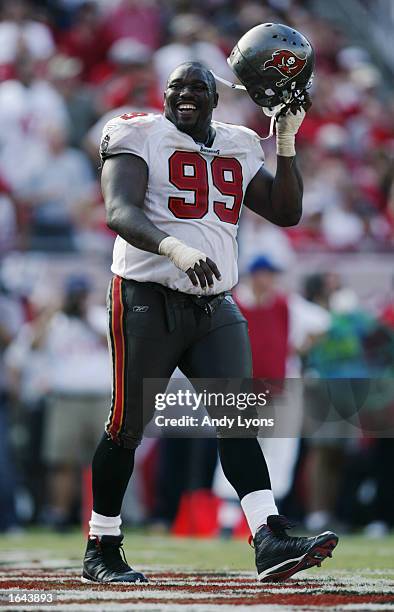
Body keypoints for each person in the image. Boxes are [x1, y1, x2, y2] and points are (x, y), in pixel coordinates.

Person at [82, 59, 338, 584]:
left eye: (198, 87)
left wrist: (285, 142)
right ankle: (102, 543)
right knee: (126, 426)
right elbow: (119, 209)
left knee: (239, 419)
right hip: (145, 296)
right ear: (164, 94)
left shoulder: (240, 143)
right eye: (177, 87)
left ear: (215, 98)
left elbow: (286, 211)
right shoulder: (139, 132)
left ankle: (268, 537)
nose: (186, 95)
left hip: (213, 302)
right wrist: (172, 247)